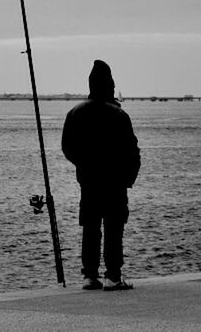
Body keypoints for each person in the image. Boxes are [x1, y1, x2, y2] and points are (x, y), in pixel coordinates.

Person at [62, 60, 140, 291]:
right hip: (115, 181)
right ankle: (113, 277)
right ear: (108, 85)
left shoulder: (75, 113)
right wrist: (128, 177)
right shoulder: (118, 114)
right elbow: (131, 150)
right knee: (114, 229)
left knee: (90, 228)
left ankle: (90, 276)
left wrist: (84, 165)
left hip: (88, 180)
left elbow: (68, 147)